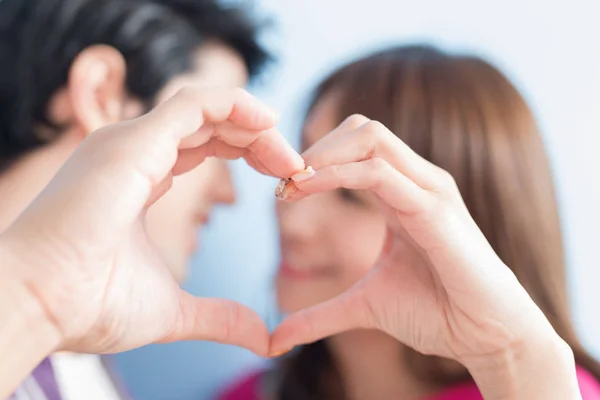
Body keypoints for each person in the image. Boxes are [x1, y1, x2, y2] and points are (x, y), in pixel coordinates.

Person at [219, 45, 600, 399]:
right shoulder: (252, 393)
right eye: (299, 171)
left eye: (350, 195)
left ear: (462, 237)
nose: (294, 224)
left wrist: (515, 360)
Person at [0, 0, 272, 397]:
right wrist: (35, 306)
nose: (228, 193)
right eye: (212, 133)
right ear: (100, 93)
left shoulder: (83, 362)